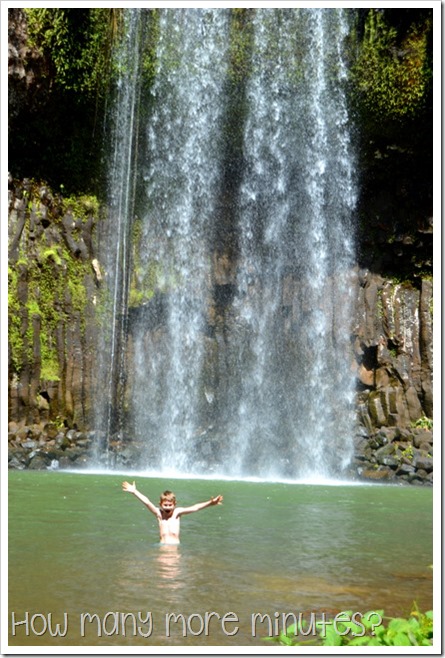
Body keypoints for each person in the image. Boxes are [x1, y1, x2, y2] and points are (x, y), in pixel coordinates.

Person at [121, 481, 223, 544]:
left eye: (170, 505)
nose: (168, 507)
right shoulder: (159, 514)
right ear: (160, 504)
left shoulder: (177, 513)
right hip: (162, 546)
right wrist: (135, 492)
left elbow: (195, 508)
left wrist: (210, 503)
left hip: (175, 547)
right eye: (165, 505)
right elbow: (147, 502)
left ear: (174, 504)